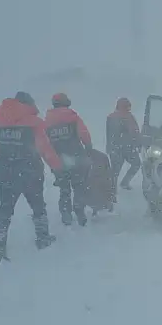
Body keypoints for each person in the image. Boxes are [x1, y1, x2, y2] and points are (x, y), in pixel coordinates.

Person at [0, 91, 62, 263]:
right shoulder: (35, 123)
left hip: (7, 173)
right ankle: (43, 238)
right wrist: (57, 168)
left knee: (4, 210)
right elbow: (45, 149)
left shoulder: (0, 123)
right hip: (31, 173)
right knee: (38, 207)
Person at [44, 92, 93, 226]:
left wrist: (52, 163)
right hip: (76, 157)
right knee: (79, 186)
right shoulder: (72, 117)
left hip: (58, 160)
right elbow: (84, 134)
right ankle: (79, 210)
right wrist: (88, 148)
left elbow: (45, 144)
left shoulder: (47, 121)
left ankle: (66, 213)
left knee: (64, 188)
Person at [106, 97, 141, 198]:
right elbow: (135, 132)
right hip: (127, 147)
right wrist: (138, 143)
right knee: (136, 164)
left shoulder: (110, 117)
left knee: (115, 171)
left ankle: (113, 189)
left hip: (116, 148)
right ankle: (124, 183)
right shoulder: (129, 117)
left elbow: (108, 133)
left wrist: (109, 147)